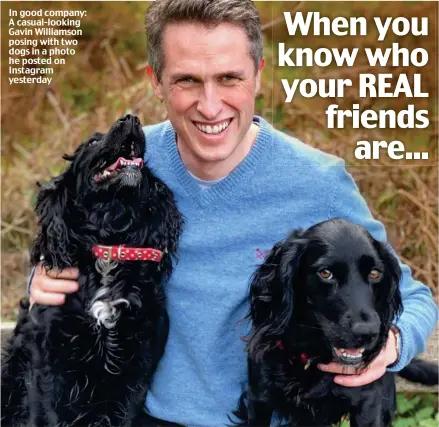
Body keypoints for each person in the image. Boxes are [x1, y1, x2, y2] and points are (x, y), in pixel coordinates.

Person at [29, 1, 438, 426]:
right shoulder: (127, 167)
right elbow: (60, 253)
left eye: (229, 78)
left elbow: (412, 298)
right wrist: (46, 279)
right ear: (157, 82)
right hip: (142, 418)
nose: (210, 106)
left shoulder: (317, 181)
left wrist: (389, 345)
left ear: (259, 74)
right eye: (188, 80)